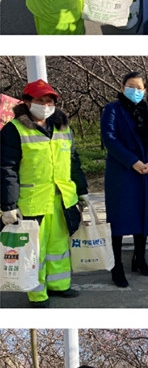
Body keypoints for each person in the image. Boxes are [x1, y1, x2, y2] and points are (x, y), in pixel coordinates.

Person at [1, 79, 88, 305]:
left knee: (58, 246)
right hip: (32, 202)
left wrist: (82, 190)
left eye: (49, 101)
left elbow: (73, 161)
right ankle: (37, 293)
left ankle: (59, 285)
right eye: (40, 100)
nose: (46, 105)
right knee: (34, 252)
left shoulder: (62, 127)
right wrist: (8, 205)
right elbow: (6, 169)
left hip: (61, 199)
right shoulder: (14, 130)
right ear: (27, 102)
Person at [101, 72, 148, 288]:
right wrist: (132, 161)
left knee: (143, 216)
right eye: (131, 86)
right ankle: (116, 266)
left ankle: (139, 259)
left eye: (139, 88)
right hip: (123, 173)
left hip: (146, 172)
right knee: (118, 220)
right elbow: (109, 138)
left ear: (144, 91)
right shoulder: (112, 110)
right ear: (122, 86)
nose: (135, 91)